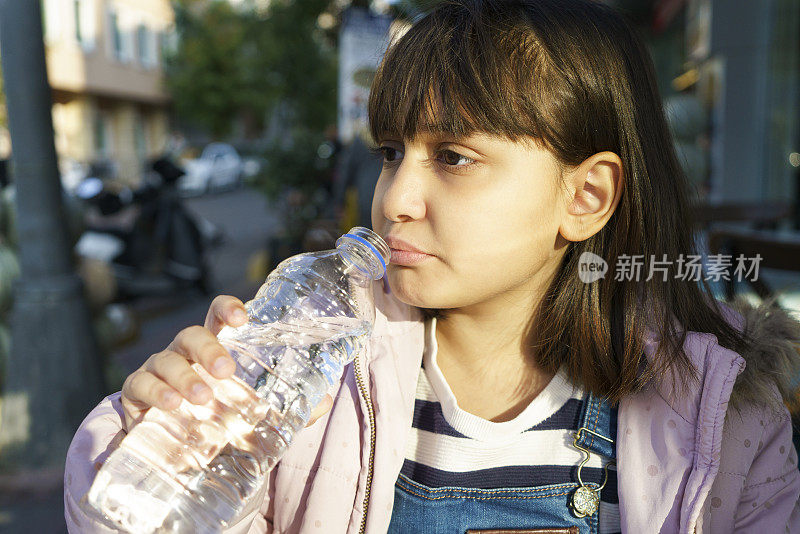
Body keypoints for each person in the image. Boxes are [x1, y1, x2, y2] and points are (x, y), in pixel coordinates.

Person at [64, 1, 800, 532]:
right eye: (392, 154)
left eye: (453, 157)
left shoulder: (720, 415)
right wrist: (150, 436)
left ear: (586, 195)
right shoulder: (321, 370)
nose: (397, 199)